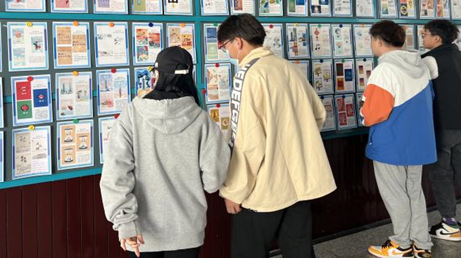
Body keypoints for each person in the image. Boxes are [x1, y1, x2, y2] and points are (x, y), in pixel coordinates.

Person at [216, 14, 336, 258]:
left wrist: (233, 191)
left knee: (248, 252)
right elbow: (318, 114)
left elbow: (247, 142)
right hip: (300, 181)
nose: (227, 52)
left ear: (238, 42)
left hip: (264, 188)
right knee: (299, 251)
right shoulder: (287, 67)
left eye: (224, 46)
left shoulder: (248, 75)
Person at [100, 46, 230, 258]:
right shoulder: (202, 120)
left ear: (157, 74)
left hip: (139, 234)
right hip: (187, 232)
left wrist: (124, 222)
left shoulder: (131, 115)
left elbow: (115, 174)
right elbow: (212, 182)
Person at [361, 21, 436, 258]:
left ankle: (401, 245)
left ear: (378, 41)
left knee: (395, 195)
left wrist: (363, 113)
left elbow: (373, 113)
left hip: (391, 143)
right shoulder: (420, 66)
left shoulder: (384, 70)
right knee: (414, 192)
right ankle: (421, 244)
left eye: (371, 40)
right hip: (417, 143)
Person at [420, 20, 461, 241]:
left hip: (441, 127)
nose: (423, 37)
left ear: (437, 38)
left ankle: (449, 224)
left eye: (425, 34)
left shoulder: (429, 60)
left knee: (441, 175)